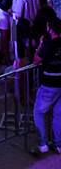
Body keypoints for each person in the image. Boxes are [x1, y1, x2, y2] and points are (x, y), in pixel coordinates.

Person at [32, 15, 61, 156]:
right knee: (58, 115)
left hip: (50, 84)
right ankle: (58, 144)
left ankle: (43, 144)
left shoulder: (49, 44)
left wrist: (40, 45)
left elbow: (36, 61)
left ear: (51, 30)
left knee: (38, 112)